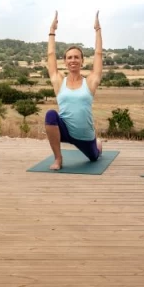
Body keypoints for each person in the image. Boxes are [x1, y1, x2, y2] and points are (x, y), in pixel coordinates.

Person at [44, 11, 103, 170]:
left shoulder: (90, 82)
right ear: (65, 61)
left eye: (77, 57)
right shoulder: (59, 81)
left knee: (94, 157)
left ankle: (98, 144)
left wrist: (98, 30)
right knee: (50, 115)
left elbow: (98, 54)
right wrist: (52, 31)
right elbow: (50, 54)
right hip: (64, 131)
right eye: (69, 57)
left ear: (82, 61)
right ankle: (58, 159)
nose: (73, 60)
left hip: (85, 137)